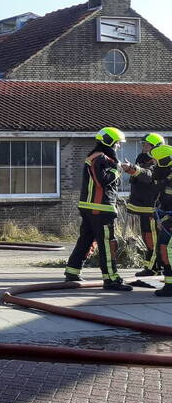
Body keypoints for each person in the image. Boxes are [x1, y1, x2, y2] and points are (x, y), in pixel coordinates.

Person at [64, 127, 131, 291]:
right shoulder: (100, 158)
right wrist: (118, 170)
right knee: (108, 244)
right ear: (109, 142)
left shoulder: (97, 157)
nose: (118, 147)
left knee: (86, 240)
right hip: (100, 209)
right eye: (117, 144)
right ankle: (111, 279)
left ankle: (72, 271)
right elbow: (102, 180)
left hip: (91, 208)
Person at [122, 132, 165, 285]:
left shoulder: (159, 161)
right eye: (143, 144)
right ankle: (150, 266)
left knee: (153, 238)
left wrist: (133, 169)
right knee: (147, 238)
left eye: (146, 145)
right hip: (142, 207)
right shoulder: (142, 158)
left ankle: (154, 268)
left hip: (152, 208)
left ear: (156, 147)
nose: (143, 147)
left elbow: (149, 175)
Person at [142, 144, 172, 297]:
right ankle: (169, 285)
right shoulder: (165, 177)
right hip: (166, 220)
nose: (153, 165)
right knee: (163, 251)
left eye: (155, 162)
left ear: (164, 162)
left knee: (167, 251)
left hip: (169, 221)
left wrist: (167, 218)